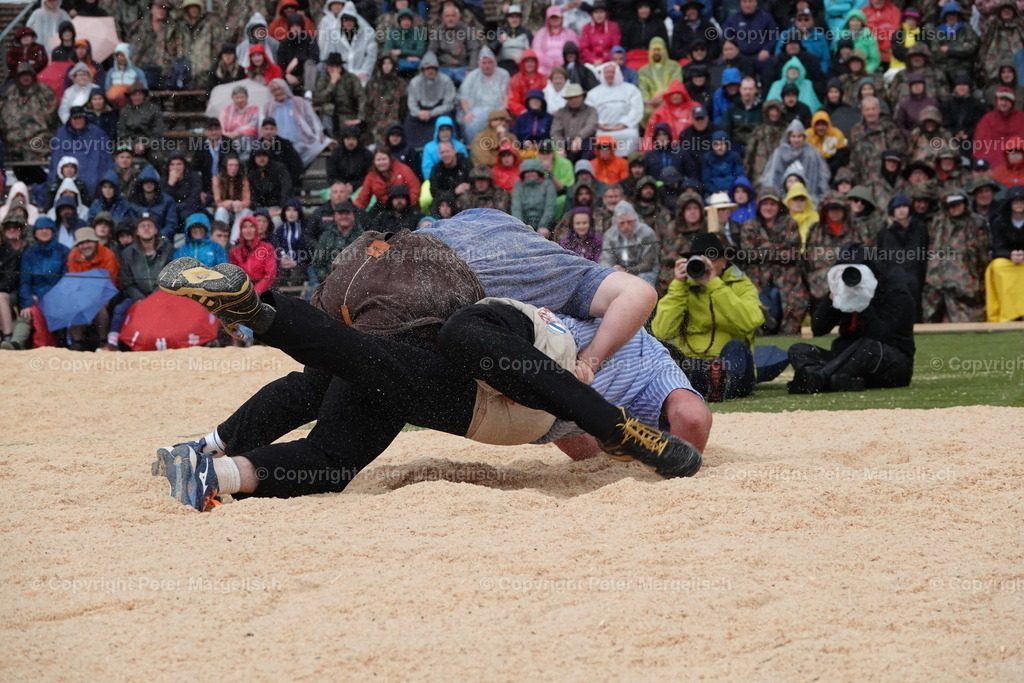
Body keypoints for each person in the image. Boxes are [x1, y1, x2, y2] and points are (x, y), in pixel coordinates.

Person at [152, 249, 703, 509]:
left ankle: (209, 459)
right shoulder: (643, 347)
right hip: (507, 362)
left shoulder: (651, 360)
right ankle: (213, 464)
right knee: (444, 340)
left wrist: (589, 394)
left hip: (502, 392)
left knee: (336, 423)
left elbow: (687, 420)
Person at [788, 243, 915, 393]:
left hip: (889, 364)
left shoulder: (896, 292)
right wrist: (831, 299)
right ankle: (836, 381)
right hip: (846, 361)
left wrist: (864, 301)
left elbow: (882, 336)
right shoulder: (845, 288)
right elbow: (818, 328)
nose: (850, 277)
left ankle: (818, 379)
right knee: (799, 349)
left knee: (867, 347)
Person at [652, 231, 764, 401]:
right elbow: (662, 332)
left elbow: (751, 321)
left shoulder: (741, 284)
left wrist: (715, 285)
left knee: (736, 346)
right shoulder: (681, 288)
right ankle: (711, 384)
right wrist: (678, 287)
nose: (705, 264)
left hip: (730, 364)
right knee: (666, 351)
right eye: (699, 260)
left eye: (710, 259)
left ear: (724, 262)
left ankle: (722, 383)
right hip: (695, 366)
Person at [740, 187, 806, 335]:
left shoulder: (790, 223)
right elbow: (748, 254)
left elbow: (793, 253)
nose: (768, 208)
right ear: (759, 206)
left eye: (772, 204)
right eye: (765, 204)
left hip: (785, 276)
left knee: (795, 300)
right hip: (758, 276)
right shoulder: (750, 225)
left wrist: (762, 248)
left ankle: (788, 335)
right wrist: (779, 249)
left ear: (779, 206)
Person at [108, 212, 173, 349]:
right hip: (137, 296)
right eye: (142, 226)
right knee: (120, 309)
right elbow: (127, 282)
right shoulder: (128, 253)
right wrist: (139, 298)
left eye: (150, 225)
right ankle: (112, 343)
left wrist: (155, 296)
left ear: (156, 230)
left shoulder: (167, 250)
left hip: (162, 295)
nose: (146, 228)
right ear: (137, 232)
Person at [921, 194, 990, 323]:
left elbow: (982, 253)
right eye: (951, 205)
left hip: (965, 279)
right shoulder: (938, 221)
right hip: (937, 278)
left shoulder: (976, 222)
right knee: (930, 314)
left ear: (965, 204)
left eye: (958, 204)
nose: (955, 208)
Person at [65, 226, 119, 350]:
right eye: (81, 243)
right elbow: (74, 281)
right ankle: (78, 342)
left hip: (105, 293)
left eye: (88, 241)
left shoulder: (108, 255)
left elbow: (111, 282)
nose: (85, 246)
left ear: (95, 242)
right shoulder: (73, 256)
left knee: (98, 305)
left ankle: (102, 340)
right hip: (82, 293)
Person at [263, 79, 335, 167]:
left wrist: (318, 134)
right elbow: (263, 125)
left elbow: (312, 120)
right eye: (274, 90)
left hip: (300, 141)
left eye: (280, 88)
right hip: (277, 144)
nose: (278, 92)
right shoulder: (268, 107)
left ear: (285, 88)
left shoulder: (299, 102)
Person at [760, 120, 830, 203]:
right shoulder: (780, 152)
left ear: (804, 137)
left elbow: (820, 175)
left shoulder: (811, 152)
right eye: (793, 136)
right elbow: (774, 175)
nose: (796, 140)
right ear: (788, 137)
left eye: (799, 136)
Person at [1, 63, 58, 162]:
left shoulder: (43, 90)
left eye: (28, 75)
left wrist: (34, 118)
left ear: (32, 76)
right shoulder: (11, 91)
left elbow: (52, 112)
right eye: (22, 75)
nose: (25, 78)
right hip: (14, 140)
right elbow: (4, 112)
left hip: (39, 137)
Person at [586, 62, 643, 156]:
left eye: (612, 72)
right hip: (602, 130)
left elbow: (636, 110)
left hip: (626, 129)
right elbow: (589, 112)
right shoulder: (593, 93)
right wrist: (599, 124)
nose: (610, 75)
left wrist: (623, 124)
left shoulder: (631, 90)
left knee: (632, 136)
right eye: (607, 72)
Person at [985, 185, 1024, 321]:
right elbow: (997, 247)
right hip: (1007, 259)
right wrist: (1010, 255)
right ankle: (1008, 314)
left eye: (1022, 201)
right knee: (997, 266)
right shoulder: (998, 222)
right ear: (1010, 203)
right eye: (1016, 201)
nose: (1019, 204)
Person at [403, 53, 458, 149]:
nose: (430, 71)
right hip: (420, 115)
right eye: (427, 68)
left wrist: (432, 113)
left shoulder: (446, 81)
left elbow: (449, 104)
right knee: (409, 123)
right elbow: (411, 104)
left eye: (433, 68)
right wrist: (419, 113)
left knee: (448, 119)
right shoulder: (414, 82)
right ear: (423, 70)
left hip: (439, 113)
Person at [601, 201, 659, 286]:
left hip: (643, 271)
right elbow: (606, 260)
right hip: (618, 271)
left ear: (636, 220)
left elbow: (648, 263)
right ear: (616, 223)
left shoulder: (647, 233)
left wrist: (628, 271)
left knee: (642, 286)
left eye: (630, 222)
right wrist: (613, 270)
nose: (626, 226)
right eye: (622, 223)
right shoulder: (610, 235)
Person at [312, 201, 364, 281]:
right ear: (334, 217)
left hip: (356, 281)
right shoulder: (326, 236)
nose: (344, 216)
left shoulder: (363, 236)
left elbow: (368, 263)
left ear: (353, 216)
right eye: (340, 213)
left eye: (347, 213)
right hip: (330, 280)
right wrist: (326, 278)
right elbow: (318, 262)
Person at [356, 148, 421, 210]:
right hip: (383, 207)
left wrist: (410, 205)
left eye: (384, 159)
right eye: (378, 160)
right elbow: (363, 197)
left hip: (404, 206)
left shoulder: (403, 169)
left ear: (390, 159)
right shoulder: (371, 176)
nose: (381, 163)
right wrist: (354, 212)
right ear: (374, 162)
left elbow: (415, 189)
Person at [511, 159, 557, 235]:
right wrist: (522, 226)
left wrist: (543, 225)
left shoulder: (547, 184)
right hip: (524, 224)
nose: (530, 174)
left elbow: (550, 207)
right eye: (527, 172)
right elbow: (516, 208)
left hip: (544, 226)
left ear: (538, 172)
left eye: (533, 171)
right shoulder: (519, 186)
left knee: (543, 233)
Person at [272, 198, 311, 288]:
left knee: (296, 278)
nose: (291, 213)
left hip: (301, 263)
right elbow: (276, 246)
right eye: (288, 210)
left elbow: (309, 249)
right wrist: (282, 259)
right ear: (284, 212)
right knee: (279, 278)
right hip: (283, 263)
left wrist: (296, 261)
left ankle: (295, 300)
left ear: (299, 212)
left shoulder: (305, 228)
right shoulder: (280, 230)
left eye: (294, 210)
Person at [247, 142, 294, 213]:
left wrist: (281, 208)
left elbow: (286, 188)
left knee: (277, 221)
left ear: (269, 157)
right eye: (258, 156)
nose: (262, 158)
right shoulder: (251, 172)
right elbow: (251, 196)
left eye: (264, 155)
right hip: (258, 209)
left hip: (278, 207)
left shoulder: (279, 168)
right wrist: (261, 210)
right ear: (254, 158)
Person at [162, 154, 203, 228]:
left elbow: (193, 200)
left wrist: (175, 208)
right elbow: (164, 202)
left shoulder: (194, 177)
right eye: (172, 165)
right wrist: (170, 184)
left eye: (179, 164)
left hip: (190, 211)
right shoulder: (163, 181)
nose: (175, 168)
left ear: (184, 166)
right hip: (171, 213)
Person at [219, 86, 261, 156]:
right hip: (229, 138)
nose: (239, 100)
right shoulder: (226, 110)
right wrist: (226, 134)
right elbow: (221, 124)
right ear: (232, 98)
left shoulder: (254, 109)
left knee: (246, 140)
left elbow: (254, 127)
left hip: (247, 140)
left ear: (247, 97)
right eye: (237, 97)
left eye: (242, 97)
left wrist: (238, 132)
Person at [212, 154, 252, 228]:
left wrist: (240, 204)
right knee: (221, 211)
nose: (233, 168)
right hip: (225, 208)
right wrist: (231, 203)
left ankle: (235, 238)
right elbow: (217, 201)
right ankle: (222, 236)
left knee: (245, 211)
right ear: (226, 166)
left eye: (236, 165)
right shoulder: (217, 179)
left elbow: (247, 201)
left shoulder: (243, 179)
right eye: (230, 165)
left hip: (239, 209)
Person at [491, 4, 533, 73]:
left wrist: (524, 58)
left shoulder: (526, 32)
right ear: (507, 18)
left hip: (521, 64)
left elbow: (531, 50)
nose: (514, 19)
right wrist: (499, 42)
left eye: (517, 17)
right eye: (511, 17)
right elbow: (491, 50)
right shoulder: (500, 31)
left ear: (520, 18)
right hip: (503, 65)